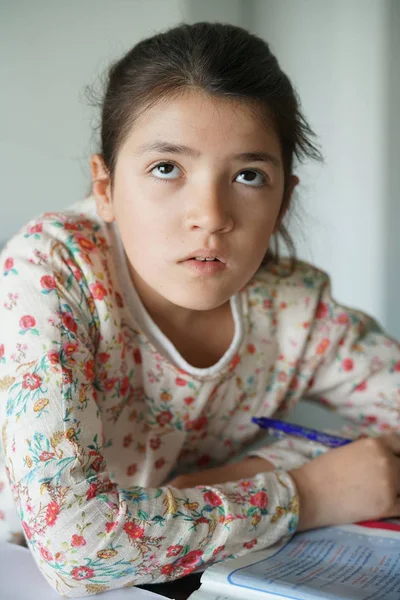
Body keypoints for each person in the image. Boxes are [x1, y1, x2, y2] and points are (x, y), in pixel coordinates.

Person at [0, 21, 399, 598]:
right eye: (167, 168)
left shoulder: (292, 307)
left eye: (247, 175)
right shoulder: (54, 270)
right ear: (106, 187)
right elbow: (76, 547)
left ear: (283, 199)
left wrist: (249, 473)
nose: (210, 216)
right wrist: (307, 492)